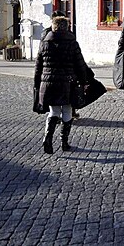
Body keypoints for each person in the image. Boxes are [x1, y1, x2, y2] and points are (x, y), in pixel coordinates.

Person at [34, 16, 88, 154]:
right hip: (68, 82)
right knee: (67, 111)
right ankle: (64, 142)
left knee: (54, 111)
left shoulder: (44, 43)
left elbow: (38, 66)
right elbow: (80, 64)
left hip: (49, 82)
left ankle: (48, 137)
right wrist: (84, 81)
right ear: (66, 27)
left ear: (53, 27)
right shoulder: (72, 43)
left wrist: (37, 84)